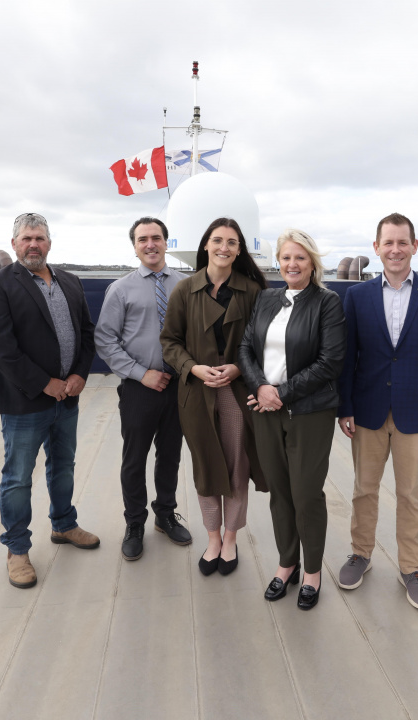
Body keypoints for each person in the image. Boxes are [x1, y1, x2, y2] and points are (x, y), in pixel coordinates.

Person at [335, 213, 418, 611]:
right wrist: (345, 407)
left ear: (414, 246)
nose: (395, 250)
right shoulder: (356, 297)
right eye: (387, 243)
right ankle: (360, 553)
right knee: (363, 489)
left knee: (411, 494)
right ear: (376, 248)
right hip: (367, 410)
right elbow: (348, 357)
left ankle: (411, 568)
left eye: (402, 242)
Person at [0, 212, 101, 589]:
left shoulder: (70, 281)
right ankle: (17, 549)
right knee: (18, 477)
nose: (34, 244)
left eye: (40, 238)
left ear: (50, 243)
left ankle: (63, 524)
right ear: (15, 243)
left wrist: (80, 373)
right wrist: (45, 383)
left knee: (63, 466)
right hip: (24, 401)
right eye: (27, 238)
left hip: (67, 398)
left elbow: (85, 332)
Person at [238, 229, 345, 610]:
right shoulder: (267, 299)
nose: (292, 265)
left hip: (309, 413)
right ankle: (287, 565)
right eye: (285, 258)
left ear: (312, 262)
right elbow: (246, 347)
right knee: (279, 490)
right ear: (278, 262)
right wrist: (261, 387)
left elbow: (331, 361)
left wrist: (280, 393)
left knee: (306, 493)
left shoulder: (327, 302)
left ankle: (312, 572)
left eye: (300, 258)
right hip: (266, 410)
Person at [160, 217, 268, 576]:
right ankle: (212, 538)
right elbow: (169, 341)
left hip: (237, 392)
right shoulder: (183, 290)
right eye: (218, 240)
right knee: (206, 466)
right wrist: (192, 367)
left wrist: (238, 368)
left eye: (232, 242)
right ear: (205, 245)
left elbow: (262, 344)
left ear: (239, 250)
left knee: (238, 465)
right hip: (197, 392)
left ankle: (232, 537)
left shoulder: (253, 291)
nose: (224, 247)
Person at [94, 217, 193, 561]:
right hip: (140, 388)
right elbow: (105, 339)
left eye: (156, 238)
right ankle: (135, 522)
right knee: (134, 459)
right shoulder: (120, 289)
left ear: (166, 242)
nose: (150, 244)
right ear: (134, 246)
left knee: (171, 455)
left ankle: (165, 514)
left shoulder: (186, 285)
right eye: (142, 239)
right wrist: (140, 373)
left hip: (179, 386)